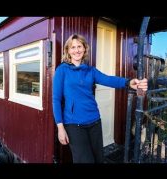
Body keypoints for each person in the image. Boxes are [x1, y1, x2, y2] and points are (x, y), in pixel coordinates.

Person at [52, 34, 148, 163]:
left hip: (94, 121)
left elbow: (107, 79)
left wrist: (128, 82)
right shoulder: (62, 70)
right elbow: (56, 100)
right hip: (74, 124)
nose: (77, 50)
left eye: (79, 46)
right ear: (68, 51)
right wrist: (60, 128)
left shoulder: (90, 70)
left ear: (85, 49)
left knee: (99, 159)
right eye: (73, 47)